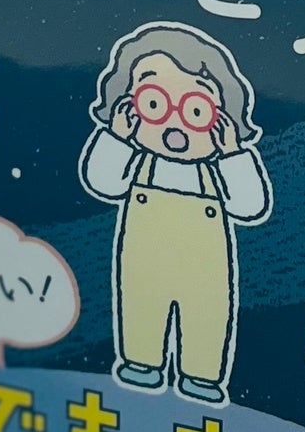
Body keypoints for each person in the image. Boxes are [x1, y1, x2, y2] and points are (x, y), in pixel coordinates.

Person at [77, 21, 271, 404]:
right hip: (143, 259)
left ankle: (202, 375)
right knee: (141, 305)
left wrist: (232, 153)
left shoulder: (218, 169)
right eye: (154, 105)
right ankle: (141, 363)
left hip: (206, 269)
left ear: (222, 118)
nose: (174, 124)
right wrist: (116, 136)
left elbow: (251, 206)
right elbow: (104, 182)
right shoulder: (137, 161)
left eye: (196, 110)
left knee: (207, 316)